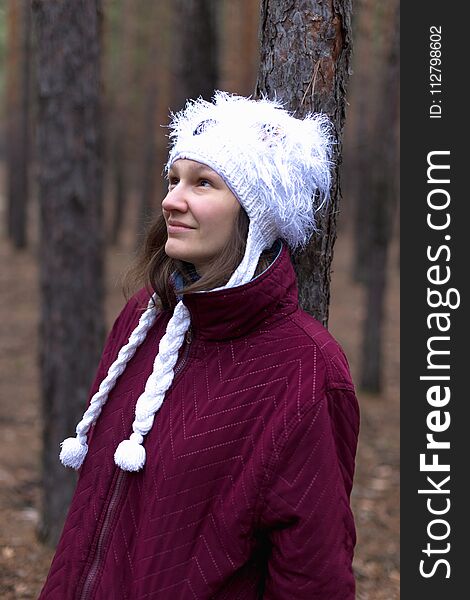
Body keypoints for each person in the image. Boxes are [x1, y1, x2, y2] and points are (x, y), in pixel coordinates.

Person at [39, 91, 360, 599]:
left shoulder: (304, 369)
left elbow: (312, 575)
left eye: (203, 183)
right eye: (173, 180)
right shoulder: (142, 319)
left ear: (256, 214)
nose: (171, 199)